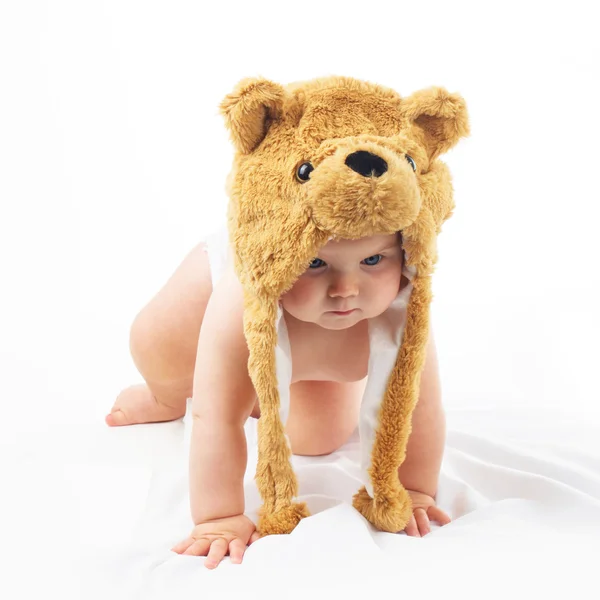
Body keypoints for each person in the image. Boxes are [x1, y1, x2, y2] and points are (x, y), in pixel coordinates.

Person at [106, 227, 451, 569]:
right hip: (249, 306)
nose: (345, 290)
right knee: (156, 347)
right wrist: (219, 519)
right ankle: (163, 397)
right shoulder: (241, 294)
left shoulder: (405, 305)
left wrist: (415, 490)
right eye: (315, 262)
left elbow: (422, 408)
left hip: (320, 344)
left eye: (373, 259)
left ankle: (268, 384)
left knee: (317, 438)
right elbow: (217, 416)